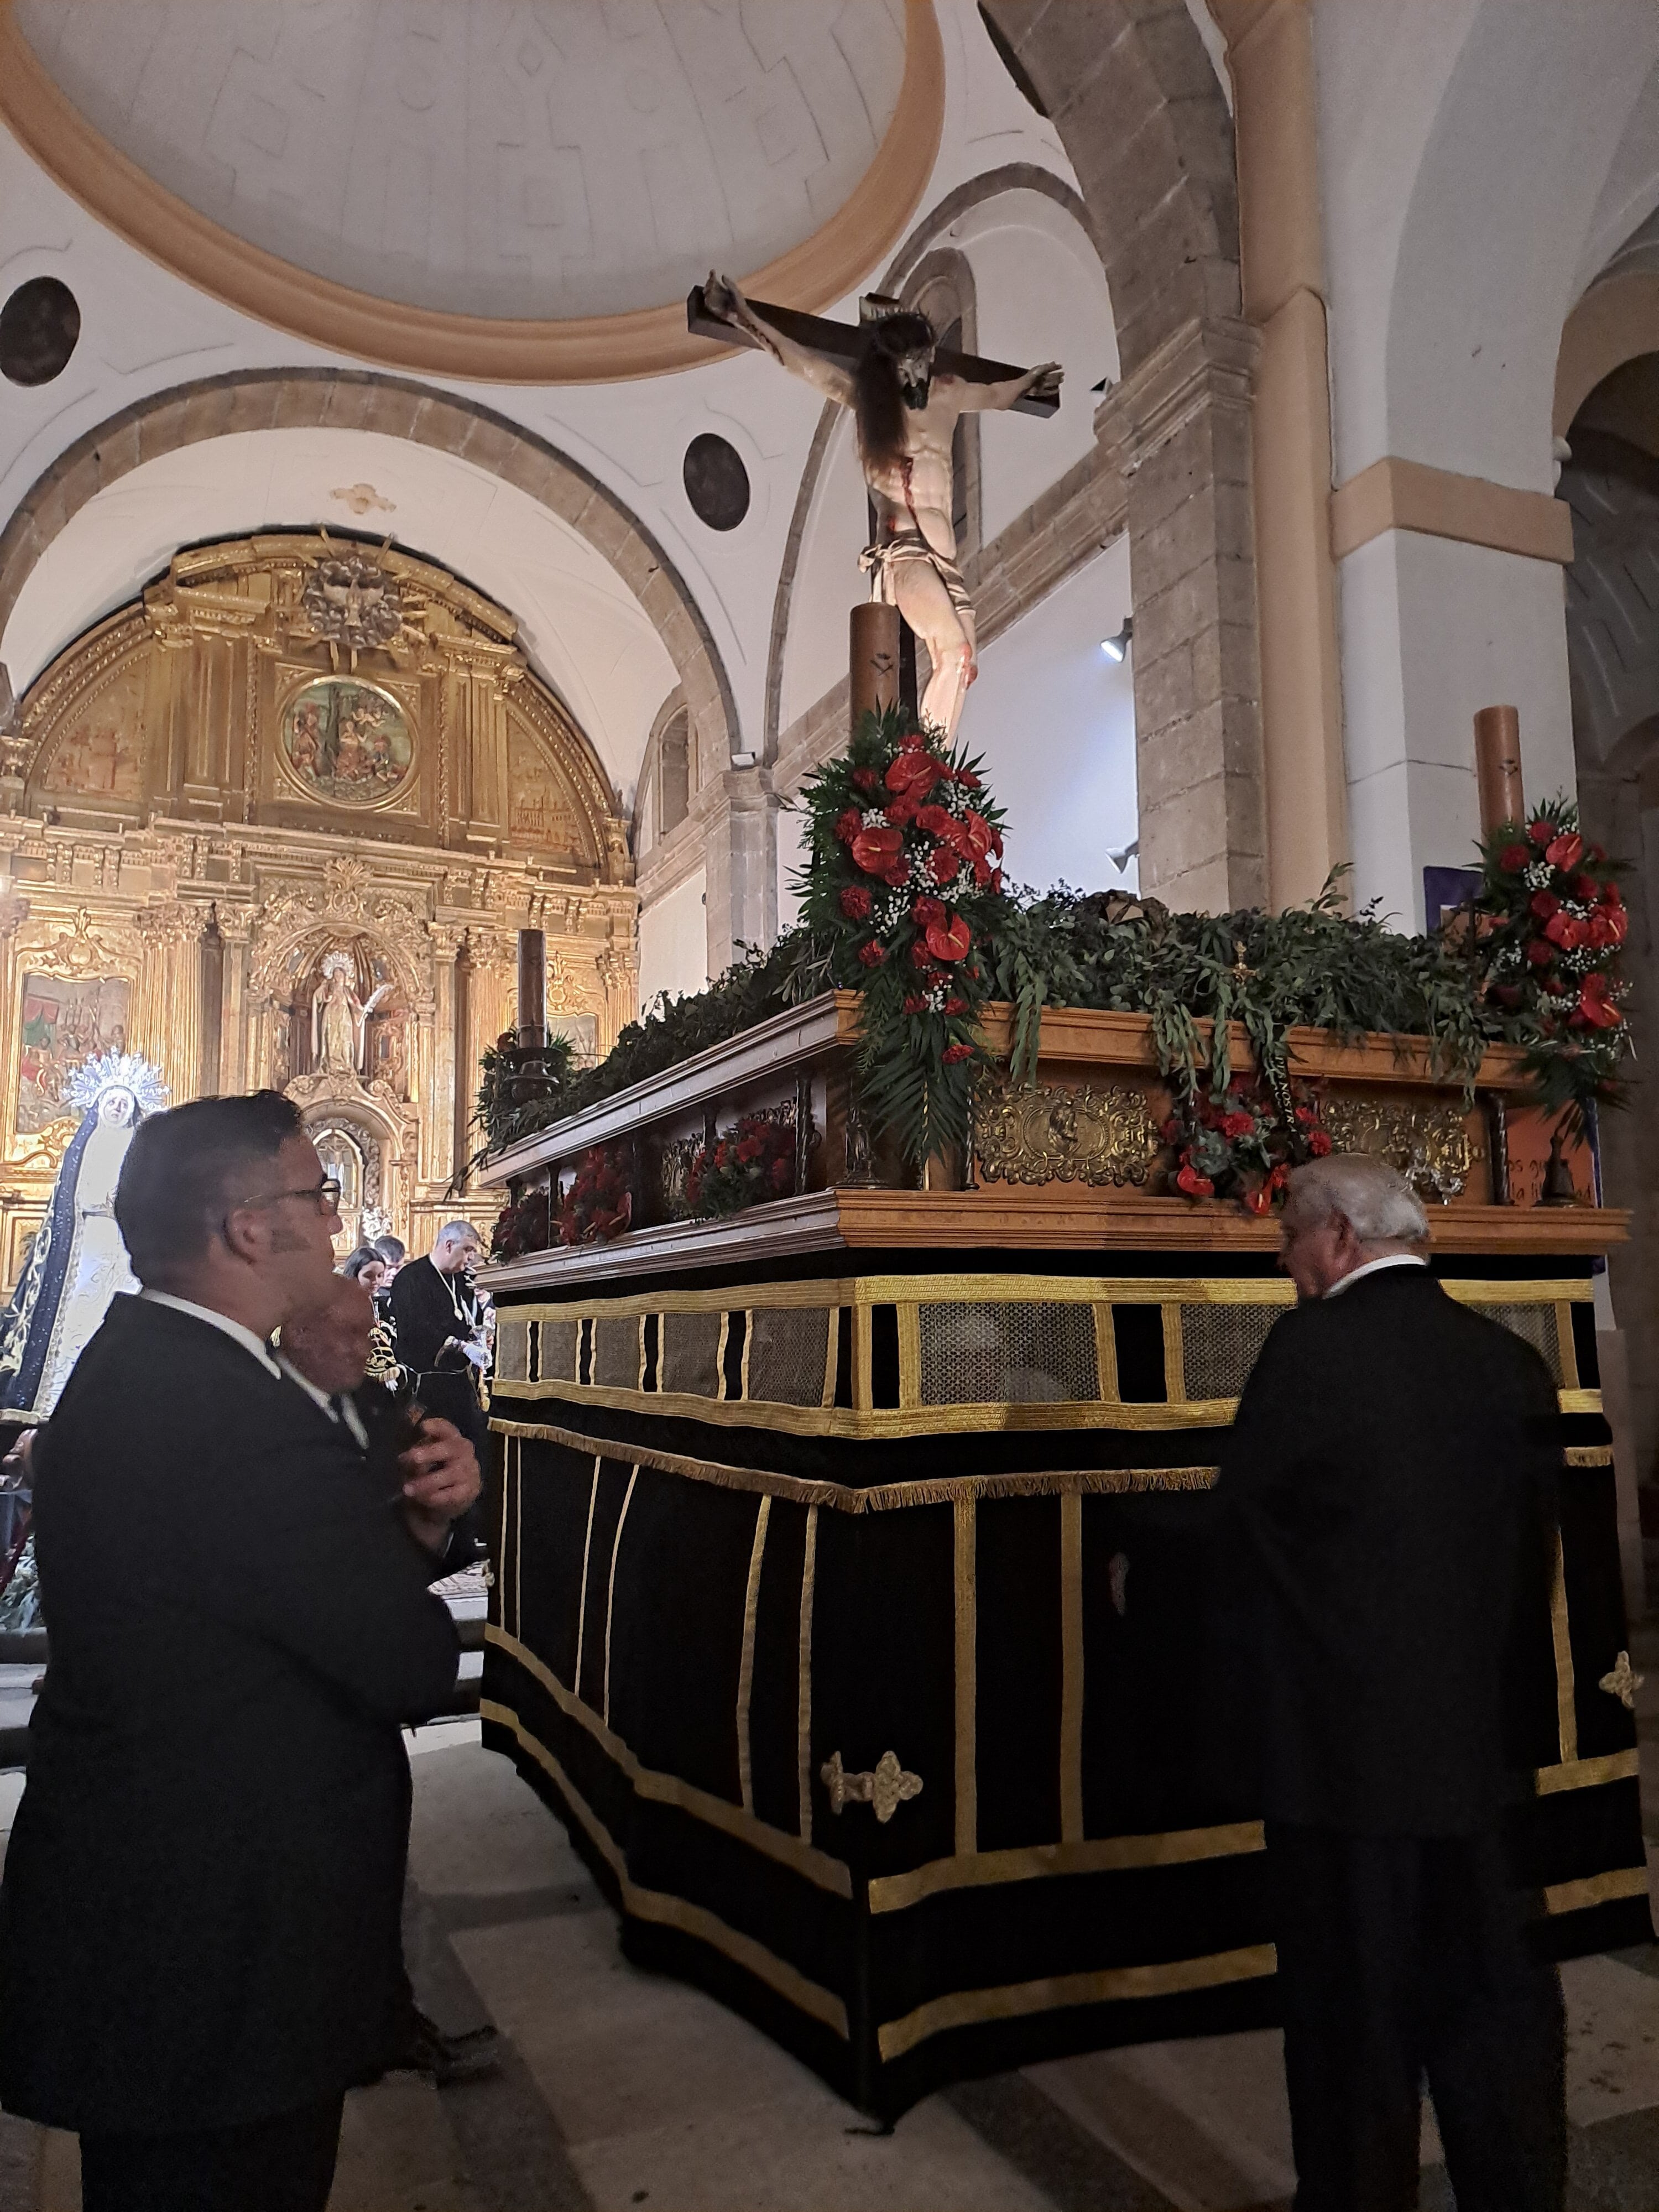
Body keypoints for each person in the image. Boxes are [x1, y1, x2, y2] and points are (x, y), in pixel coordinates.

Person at [0, 1092, 479, 2212]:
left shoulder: (150, 1362)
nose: (332, 1214)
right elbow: (409, 1662)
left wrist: (396, 1528)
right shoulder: (226, 1414)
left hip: (169, 1928)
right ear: (248, 1227)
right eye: (315, 1193)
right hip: (217, 1954)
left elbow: (278, 1598)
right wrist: (409, 1541)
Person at [1217, 1154, 1566, 2212]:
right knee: (1491, 2017)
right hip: (1479, 1765)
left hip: (1344, 1776)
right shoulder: (1510, 1364)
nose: (1284, 1264)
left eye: (1288, 1241)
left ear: (1336, 1237)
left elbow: (1245, 1532)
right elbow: (1527, 1570)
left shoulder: (1310, 1352)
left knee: (1353, 2028)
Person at [278, 1274, 498, 2088]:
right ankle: (356, 2026)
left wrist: (440, 1513)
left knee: (375, 1876)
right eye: (348, 1331)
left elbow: (418, 1518)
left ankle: (386, 2017)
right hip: (322, 1704)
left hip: (365, 1720)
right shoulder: (266, 1421)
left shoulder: (375, 1406)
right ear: (298, 1334)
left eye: (371, 1329)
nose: (366, 1345)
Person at [389, 1222, 488, 1458]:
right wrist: (461, 1346)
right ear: (448, 1245)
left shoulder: (462, 1279)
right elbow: (414, 1330)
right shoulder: (410, 1279)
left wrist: (478, 1339)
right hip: (426, 1384)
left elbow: (469, 1317)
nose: (470, 1257)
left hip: (461, 1383)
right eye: (467, 1250)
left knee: (473, 1444)